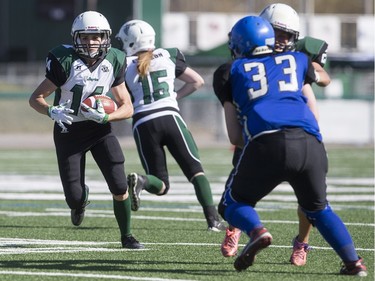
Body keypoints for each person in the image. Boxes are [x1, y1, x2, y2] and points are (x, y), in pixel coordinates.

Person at [218, 15, 367, 276]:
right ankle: (354, 262)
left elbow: (234, 136)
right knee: (319, 209)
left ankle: (257, 231)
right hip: (310, 141)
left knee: (233, 202)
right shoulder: (298, 59)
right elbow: (322, 79)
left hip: (267, 141)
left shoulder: (230, 71)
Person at [216, 3, 331, 265]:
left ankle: (302, 243)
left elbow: (324, 78)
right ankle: (235, 227)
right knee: (236, 187)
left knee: (309, 199)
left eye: (286, 35)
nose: (280, 40)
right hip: (259, 130)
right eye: (276, 33)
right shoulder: (249, 54)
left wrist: (308, 69)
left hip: (299, 125)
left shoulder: (299, 53)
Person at [29, 11, 144, 249]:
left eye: (97, 37)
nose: (91, 42)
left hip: (100, 129)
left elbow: (128, 106)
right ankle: (80, 201)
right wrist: (51, 111)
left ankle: (127, 236)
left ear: (106, 38)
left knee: (120, 184)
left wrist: (107, 117)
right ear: (75, 38)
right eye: (85, 37)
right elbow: (36, 98)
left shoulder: (115, 59)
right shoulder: (64, 60)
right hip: (68, 129)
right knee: (74, 197)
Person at [115, 19, 226, 232]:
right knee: (196, 172)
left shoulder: (123, 63)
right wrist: (174, 96)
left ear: (131, 42)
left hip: (143, 124)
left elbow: (120, 98)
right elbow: (197, 81)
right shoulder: (168, 55)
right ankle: (213, 220)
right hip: (169, 117)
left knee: (160, 185)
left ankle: (142, 180)